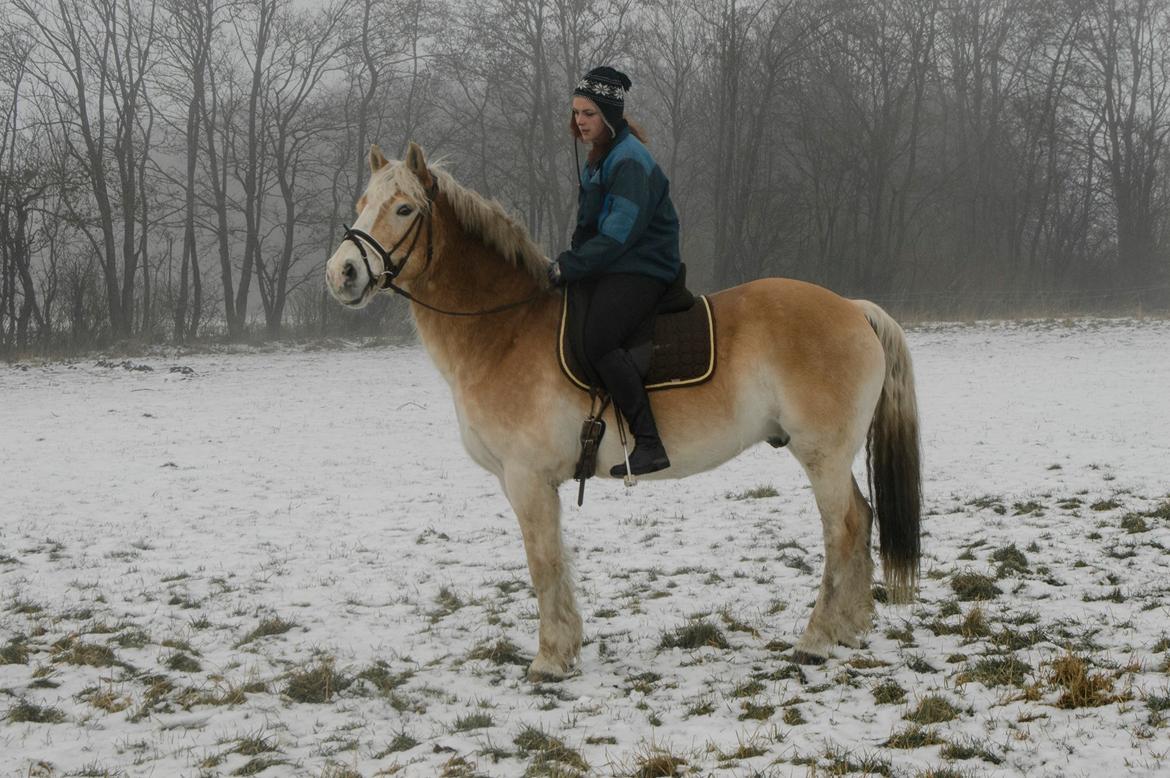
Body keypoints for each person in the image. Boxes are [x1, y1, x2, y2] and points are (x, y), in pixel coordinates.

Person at [546, 66, 681, 477]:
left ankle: (650, 442)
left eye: (587, 113)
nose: (579, 122)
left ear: (608, 115)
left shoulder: (628, 161)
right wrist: (570, 260)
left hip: (644, 264)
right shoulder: (600, 157)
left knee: (598, 338)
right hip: (617, 263)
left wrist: (572, 265)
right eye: (576, 113)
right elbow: (590, 226)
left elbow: (619, 234)